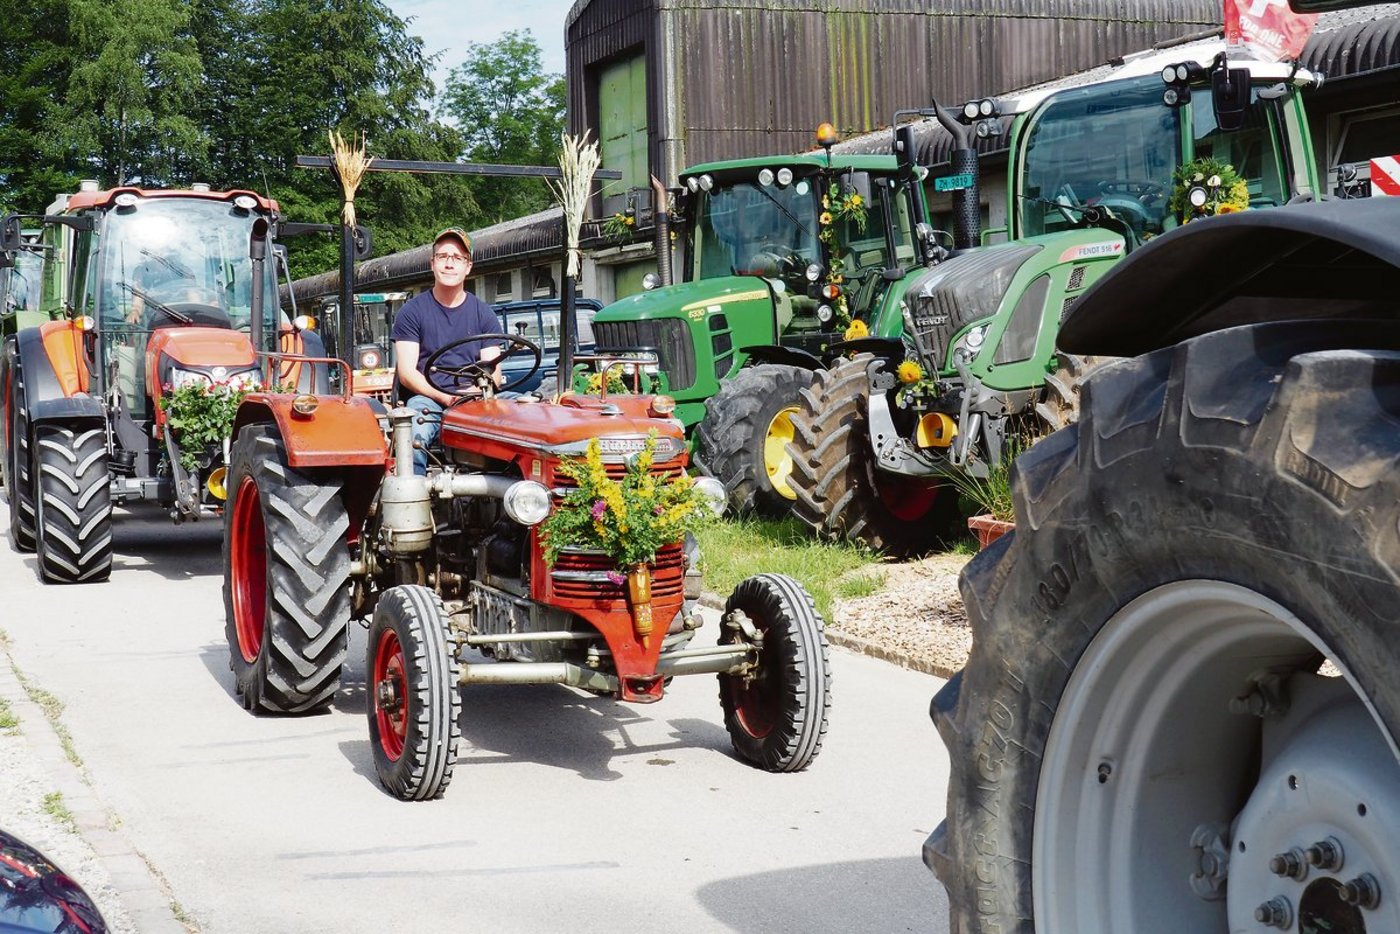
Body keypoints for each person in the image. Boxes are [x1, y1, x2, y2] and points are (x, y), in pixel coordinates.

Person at [391, 227, 501, 475]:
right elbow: (408, 373)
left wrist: (475, 392)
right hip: (428, 399)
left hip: (474, 398)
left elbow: (493, 373)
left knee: (520, 423)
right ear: (433, 264)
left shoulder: (484, 314)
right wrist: (445, 397)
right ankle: (413, 501)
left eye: (457, 257)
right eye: (443, 257)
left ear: (468, 266)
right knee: (412, 439)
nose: (450, 264)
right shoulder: (412, 312)